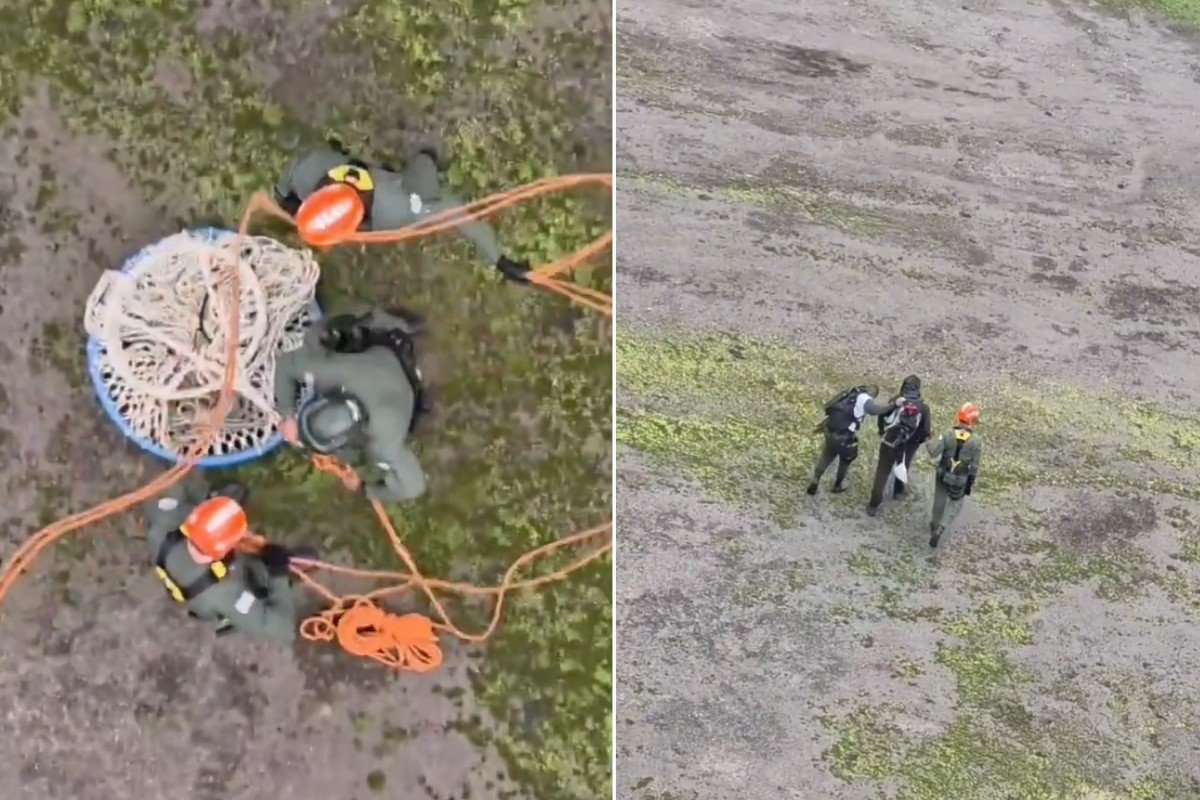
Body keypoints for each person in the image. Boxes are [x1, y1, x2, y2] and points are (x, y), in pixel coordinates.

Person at [274, 139, 531, 282]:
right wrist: (287, 201)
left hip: (393, 191)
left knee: (424, 177)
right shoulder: (310, 169)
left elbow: (457, 214)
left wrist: (499, 260)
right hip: (378, 189)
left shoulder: (400, 207)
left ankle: (424, 160)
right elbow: (284, 185)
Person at [274, 306, 428, 504]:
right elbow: (286, 364)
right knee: (322, 334)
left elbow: (415, 487)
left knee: (317, 338)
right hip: (384, 359)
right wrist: (287, 415)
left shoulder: (384, 444)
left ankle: (394, 323)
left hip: (405, 393)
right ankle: (394, 323)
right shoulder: (336, 372)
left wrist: (365, 489)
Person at [140, 474, 310, 641]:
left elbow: (168, 490)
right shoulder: (226, 593)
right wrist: (277, 574)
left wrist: (205, 499)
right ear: (228, 550)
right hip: (210, 597)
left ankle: (217, 504)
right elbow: (282, 628)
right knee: (298, 562)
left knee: (233, 492)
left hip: (181, 560)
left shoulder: (166, 520)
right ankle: (262, 586)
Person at [806, 385, 897, 495]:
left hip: (831, 431)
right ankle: (837, 485)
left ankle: (815, 480)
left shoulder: (851, 393)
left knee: (827, 456)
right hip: (846, 437)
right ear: (873, 396)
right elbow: (875, 411)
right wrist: (893, 405)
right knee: (845, 461)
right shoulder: (865, 400)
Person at [866, 375, 932, 517]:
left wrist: (882, 432)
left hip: (889, 441)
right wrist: (916, 442)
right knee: (903, 466)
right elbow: (925, 430)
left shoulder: (895, 401)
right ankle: (898, 491)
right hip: (908, 445)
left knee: (882, 472)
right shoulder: (923, 408)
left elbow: (882, 416)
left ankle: (873, 504)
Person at [925, 402, 982, 547]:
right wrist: (969, 483)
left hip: (943, 473)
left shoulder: (948, 434)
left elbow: (933, 451)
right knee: (956, 503)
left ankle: (934, 523)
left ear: (958, 417)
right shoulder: (976, 442)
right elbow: (974, 466)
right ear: (974, 422)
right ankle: (941, 527)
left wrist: (929, 440)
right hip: (960, 479)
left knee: (940, 499)